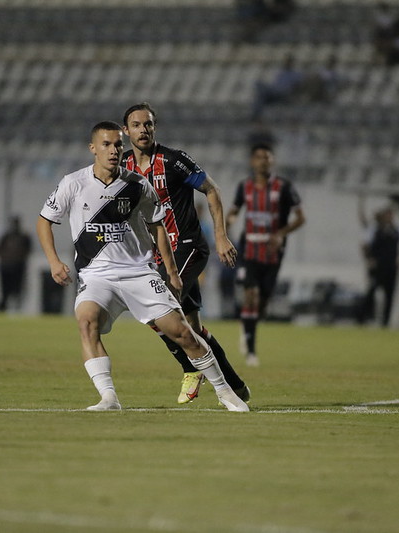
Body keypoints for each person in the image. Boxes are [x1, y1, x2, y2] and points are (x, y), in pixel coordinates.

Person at [36, 121, 248, 412]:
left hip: (138, 272)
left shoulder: (137, 184)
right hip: (97, 275)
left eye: (117, 145)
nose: (113, 150)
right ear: (93, 148)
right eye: (107, 144)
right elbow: (44, 220)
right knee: (86, 322)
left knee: (184, 333)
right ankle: (109, 398)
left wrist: (171, 272)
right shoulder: (73, 183)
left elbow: (158, 226)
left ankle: (226, 392)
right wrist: (53, 261)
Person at [121, 102, 249, 405]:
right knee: (192, 327)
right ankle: (235, 387)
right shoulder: (122, 166)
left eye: (148, 124)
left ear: (155, 127)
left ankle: (190, 368)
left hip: (188, 246)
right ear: (125, 131)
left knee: (159, 309)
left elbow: (212, 189)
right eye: (137, 125)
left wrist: (220, 237)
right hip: (154, 257)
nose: (143, 130)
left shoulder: (174, 160)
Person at [227, 143, 305, 366]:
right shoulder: (245, 186)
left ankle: (248, 325)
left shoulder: (284, 187)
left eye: (267, 157)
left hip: (273, 251)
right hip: (249, 248)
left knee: (262, 302)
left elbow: (300, 218)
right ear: (253, 161)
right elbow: (234, 211)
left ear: (273, 161)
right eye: (259, 157)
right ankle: (251, 349)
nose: (264, 161)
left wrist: (281, 233)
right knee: (250, 293)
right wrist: (228, 225)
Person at [360, 205, 399, 328]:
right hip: (377, 266)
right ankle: (364, 317)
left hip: (391, 266)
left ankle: (385, 321)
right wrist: (369, 259)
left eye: (391, 215)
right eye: (387, 215)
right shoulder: (374, 229)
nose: (389, 217)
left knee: (389, 294)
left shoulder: (397, 230)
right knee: (372, 291)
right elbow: (365, 245)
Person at [0, 215, 32, 312]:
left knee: (17, 289)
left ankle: (16, 308)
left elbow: (28, 251)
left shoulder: (24, 237)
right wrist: (5, 260)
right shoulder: (6, 236)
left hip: (18, 267)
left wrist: (19, 260)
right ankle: (3, 307)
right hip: (6, 267)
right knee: (5, 289)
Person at [251, 53, 304, 120]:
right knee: (260, 92)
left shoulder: (296, 74)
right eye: (285, 61)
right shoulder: (281, 73)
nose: (286, 63)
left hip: (284, 94)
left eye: (288, 61)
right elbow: (275, 84)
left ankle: (255, 117)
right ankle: (256, 116)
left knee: (261, 91)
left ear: (291, 63)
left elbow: (297, 88)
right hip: (274, 93)